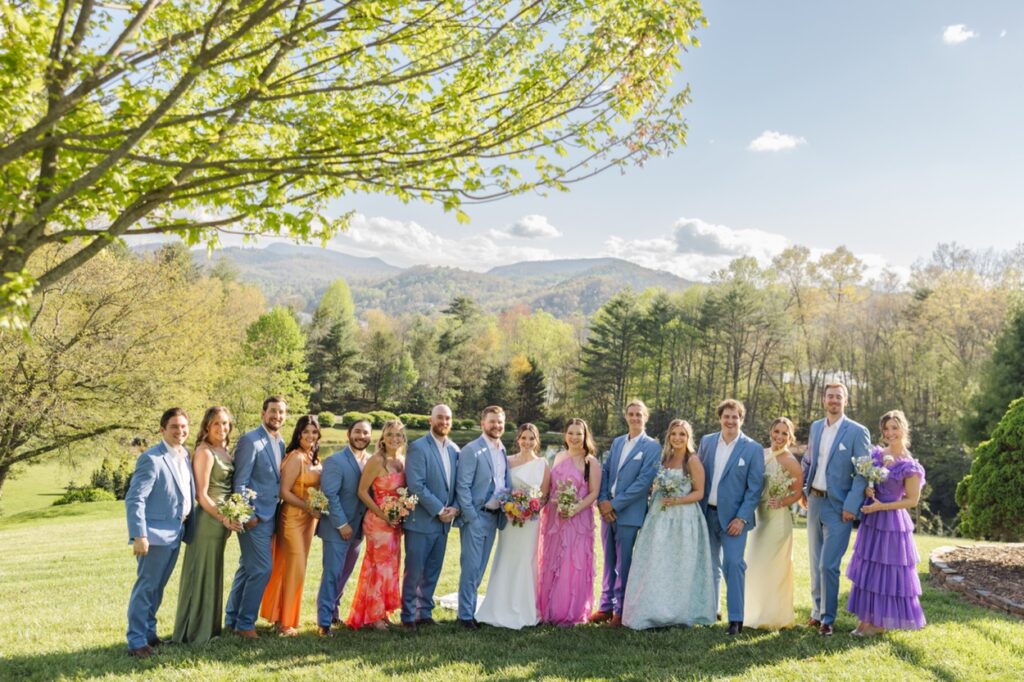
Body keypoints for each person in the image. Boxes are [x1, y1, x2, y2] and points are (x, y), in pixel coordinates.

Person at [622, 419, 716, 630]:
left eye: (682, 434)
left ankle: (679, 613)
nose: (677, 438)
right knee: (656, 563)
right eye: (674, 434)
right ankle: (652, 612)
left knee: (680, 565)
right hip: (659, 517)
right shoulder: (665, 458)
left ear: (688, 437)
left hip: (684, 520)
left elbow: (699, 492)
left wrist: (678, 500)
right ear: (668, 437)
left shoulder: (692, 461)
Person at [847, 410, 927, 636]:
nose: (890, 433)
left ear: (904, 429)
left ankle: (879, 623)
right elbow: (870, 482)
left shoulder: (909, 465)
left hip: (892, 522)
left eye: (894, 428)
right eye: (886, 429)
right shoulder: (876, 455)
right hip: (873, 519)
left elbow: (911, 500)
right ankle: (866, 620)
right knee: (870, 568)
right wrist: (869, 489)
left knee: (887, 571)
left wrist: (881, 506)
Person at [124, 408, 195, 658]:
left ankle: (149, 634)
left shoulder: (185, 455)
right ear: (162, 429)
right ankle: (136, 641)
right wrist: (139, 535)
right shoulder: (152, 459)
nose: (180, 431)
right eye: (174, 426)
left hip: (177, 531)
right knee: (146, 588)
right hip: (153, 536)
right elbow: (135, 499)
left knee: (158, 588)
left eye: (184, 426)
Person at [802, 383, 870, 636]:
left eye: (838, 397)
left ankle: (828, 620)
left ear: (845, 400)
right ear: (823, 400)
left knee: (828, 565)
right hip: (815, 501)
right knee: (814, 561)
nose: (834, 400)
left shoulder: (857, 432)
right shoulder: (816, 427)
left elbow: (863, 473)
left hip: (840, 507)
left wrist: (852, 506)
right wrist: (803, 489)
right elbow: (810, 460)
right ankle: (816, 612)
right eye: (830, 396)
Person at [173, 407, 243, 644]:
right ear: (206, 427)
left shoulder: (223, 450)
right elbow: (201, 496)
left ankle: (210, 629)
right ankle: (194, 632)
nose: (222, 428)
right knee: (201, 573)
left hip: (222, 521)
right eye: (216, 424)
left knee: (213, 573)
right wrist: (224, 517)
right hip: (208, 521)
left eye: (225, 424)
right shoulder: (204, 452)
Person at [698, 399, 765, 636]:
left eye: (735, 417)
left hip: (735, 520)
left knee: (734, 564)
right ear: (720, 418)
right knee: (710, 564)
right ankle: (710, 610)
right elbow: (698, 476)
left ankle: (736, 618)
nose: (730, 421)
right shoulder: (706, 442)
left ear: (741, 419)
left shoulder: (753, 448)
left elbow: (754, 488)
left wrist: (742, 518)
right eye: (726, 416)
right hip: (707, 513)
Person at [594, 400, 661, 627]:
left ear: (646, 418)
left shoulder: (652, 447)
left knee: (624, 563)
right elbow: (605, 471)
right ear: (626, 416)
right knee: (608, 560)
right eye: (631, 414)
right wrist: (603, 500)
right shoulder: (617, 442)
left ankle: (621, 610)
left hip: (629, 513)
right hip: (607, 511)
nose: (634, 418)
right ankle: (605, 606)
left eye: (639, 415)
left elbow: (644, 483)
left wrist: (615, 505)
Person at [476, 423, 551, 629]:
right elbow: (500, 488)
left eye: (531, 438)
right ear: (517, 439)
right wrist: (511, 508)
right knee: (506, 558)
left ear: (537, 441)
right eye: (524, 438)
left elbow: (544, 496)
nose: (527, 442)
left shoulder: (543, 465)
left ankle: (524, 608)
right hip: (510, 522)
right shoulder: (507, 461)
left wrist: (530, 509)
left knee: (527, 560)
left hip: (530, 524)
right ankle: (499, 605)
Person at [225, 396, 288, 639]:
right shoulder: (251, 440)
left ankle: (232, 618)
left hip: (270, 516)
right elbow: (240, 481)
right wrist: (247, 514)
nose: (277, 416)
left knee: (248, 567)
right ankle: (245, 624)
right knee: (262, 569)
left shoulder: (280, 442)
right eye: (273, 411)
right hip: (254, 518)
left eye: (281, 412)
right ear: (263, 413)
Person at [259, 415, 323, 635]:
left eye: (314, 432)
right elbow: (283, 491)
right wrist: (307, 506)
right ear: (298, 433)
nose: (310, 436)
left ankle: (283, 617)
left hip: (309, 519)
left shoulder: (313, 457)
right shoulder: (295, 457)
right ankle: (283, 622)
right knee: (290, 567)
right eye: (306, 432)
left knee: (298, 567)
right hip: (293, 518)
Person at [401, 404, 461, 630]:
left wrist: (455, 508)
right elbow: (416, 484)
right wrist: (439, 510)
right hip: (422, 521)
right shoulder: (418, 447)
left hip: (445, 522)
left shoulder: (455, 449)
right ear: (431, 420)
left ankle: (424, 612)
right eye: (440, 418)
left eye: (447, 418)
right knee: (415, 570)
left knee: (433, 569)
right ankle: (408, 615)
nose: (444, 422)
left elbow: (457, 485)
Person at [537, 418, 601, 626]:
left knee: (573, 563)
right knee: (552, 561)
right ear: (565, 435)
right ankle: (548, 608)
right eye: (570, 433)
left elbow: (594, 493)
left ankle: (569, 610)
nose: (574, 438)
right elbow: (551, 487)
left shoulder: (591, 462)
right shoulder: (558, 456)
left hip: (579, 520)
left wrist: (574, 509)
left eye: (579, 434)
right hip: (555, 518)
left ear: (585, 436)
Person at [454, 406, 513, 629]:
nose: (496, 426)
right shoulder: (472, 450)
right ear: (482, 423)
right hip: (476, 516)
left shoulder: (502, 449)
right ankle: (465, 616)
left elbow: (502, 482)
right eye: (492, 422)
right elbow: (463, 486)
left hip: (494, 517)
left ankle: (468, 608)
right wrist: (471, 517)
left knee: (479, 568)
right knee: (470, 566)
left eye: (500, 422)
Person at [346, 420, 408, 631]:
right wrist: (383, 514)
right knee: (377, 567)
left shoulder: (401, 460)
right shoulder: (376, 461)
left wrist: (400, 510)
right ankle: (373, 616)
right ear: (382, 437)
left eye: (398, 435)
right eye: (389, 434)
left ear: (403, 438)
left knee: (391, 567)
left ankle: (383, 611)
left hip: (395, 522)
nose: (394, 438)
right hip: (377, 522)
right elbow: (362, 492)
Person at [743, 417, 803, 630]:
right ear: (770, 432)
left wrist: (782, 501)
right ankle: (753, 612)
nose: (779, 436)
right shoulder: (761, 454)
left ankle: (774, 616)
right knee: (755, 566)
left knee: (774, 568)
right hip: (759, 519)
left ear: (790, 437)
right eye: (776, 431)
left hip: (777, 522)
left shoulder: (790, 461)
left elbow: (797, 492)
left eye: (784, 433)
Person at [315, 419, 372, 636]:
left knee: (345, 573)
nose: (361, 436)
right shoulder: (335, 461)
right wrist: (342, 524)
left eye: (365, 433)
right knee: (332, 572)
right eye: (357, 431)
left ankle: (334, 612)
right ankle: (324, 622)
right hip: (337, 528)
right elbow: (330, 495)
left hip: (358, 529)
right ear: (348, 434)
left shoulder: (370, 461)